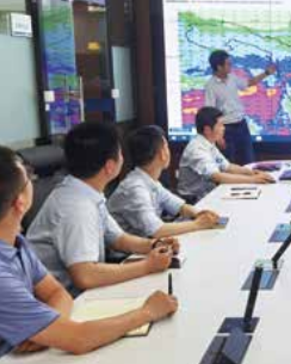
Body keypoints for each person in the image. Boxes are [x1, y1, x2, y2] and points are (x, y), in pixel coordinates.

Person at [0, 146, 177, 364]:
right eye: (28, 178)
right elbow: (78, 339)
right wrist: (147, 312)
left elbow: (56, 293)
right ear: (20, 202)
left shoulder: (7, 240)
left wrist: (45, 327)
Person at [28, 123, 179, 296]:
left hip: (81, 292)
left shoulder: (85, 191)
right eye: (120, 153)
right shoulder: (77, 207)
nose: (123, 158)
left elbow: (118, 238)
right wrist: (147, 266)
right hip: (67, 300)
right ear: (110, 166)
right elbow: (85, 276)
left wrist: (155, 245)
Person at [108, 125, 222, 238]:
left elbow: (179, 206)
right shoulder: (134, 188)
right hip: (131, 249)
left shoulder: (149, 180)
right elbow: (156, 230)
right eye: (166, 146)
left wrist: (200, 214)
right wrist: (198, 224)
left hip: (146, 243)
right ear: (162, 154)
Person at [178, 106, 275, 202]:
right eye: (220, 125)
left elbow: (228, 167)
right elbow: (217, 177)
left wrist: (254, 173)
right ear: (207, 129)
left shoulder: (208, 143)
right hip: (194, 201)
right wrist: (253, 180)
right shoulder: (197, 149)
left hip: (208, 194)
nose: (224, 128)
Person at [204, 50, 276, 165]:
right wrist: (218, 137)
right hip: (226, 130)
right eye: (228, 64)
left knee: (248, 161)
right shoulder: (210, 86)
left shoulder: (232, 78)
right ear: (219, 67)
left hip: (241, 126)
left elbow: (249, 83)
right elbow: (209, 112)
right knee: (230, 164)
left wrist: (266, 73)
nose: (231, 66)